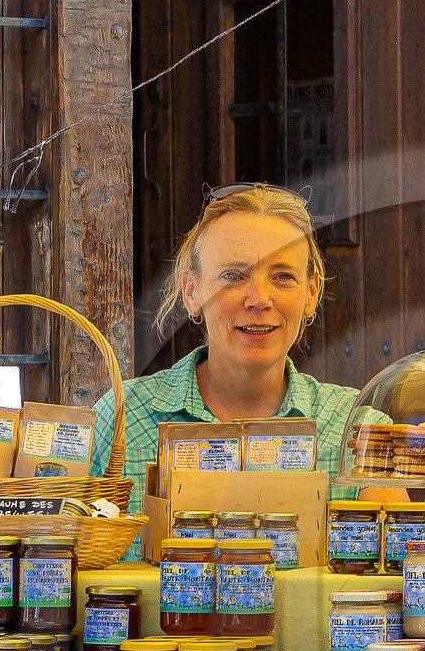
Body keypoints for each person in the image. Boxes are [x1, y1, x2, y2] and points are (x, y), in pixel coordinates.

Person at [89, 182, 365, 544]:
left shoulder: (356, 432)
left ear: (311, 292)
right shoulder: (124, 420)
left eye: (282, 276)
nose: (259, 298)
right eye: (233, 276)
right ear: (192, 293)